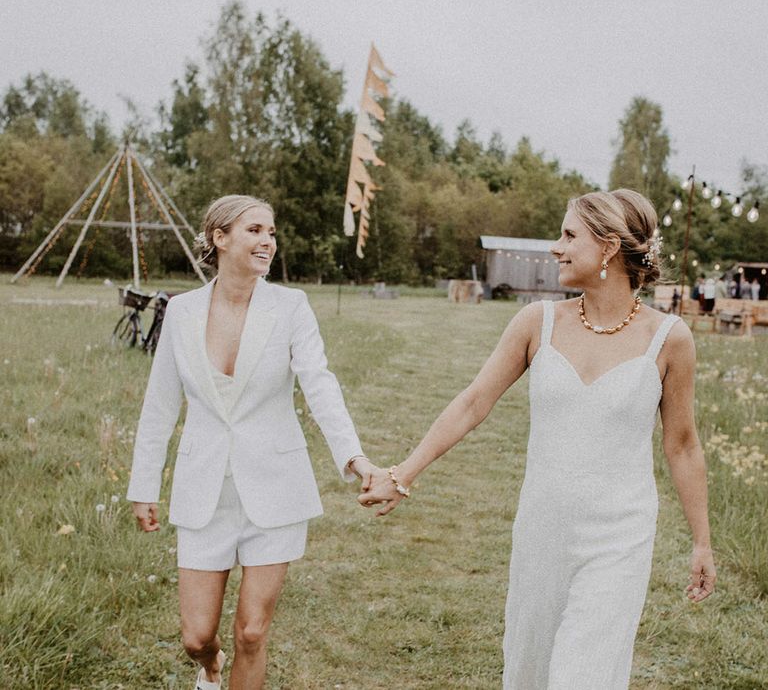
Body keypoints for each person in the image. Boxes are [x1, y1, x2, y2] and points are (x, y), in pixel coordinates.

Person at [360, 189, 715, 689]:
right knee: (530, 671)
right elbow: (472, 402)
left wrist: (702, 543)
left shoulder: (670, 338)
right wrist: (403, 473)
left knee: (582, 676)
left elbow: (683, 445)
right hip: (542, 530)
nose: (556, 247)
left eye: (569, 235)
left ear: (609, 248)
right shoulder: (537, 323)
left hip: (619, 536)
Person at [127, 195, 375, 690]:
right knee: (197, 635)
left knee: (252, 632)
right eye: (255, 230)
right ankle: (210, 669)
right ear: (220, 238)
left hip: (276, 487)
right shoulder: (181, 312)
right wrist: (143, 484)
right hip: (204, 492)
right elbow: (159, 406)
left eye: (272, 232)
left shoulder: (290, 307)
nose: (268, 241)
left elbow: (319, 384)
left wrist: (354, 456)